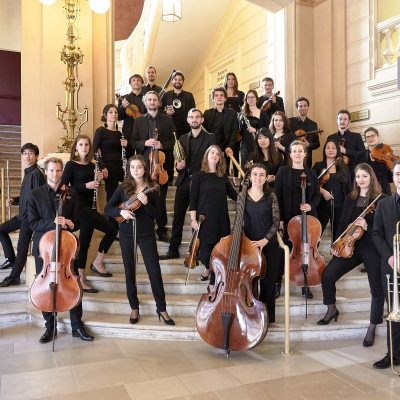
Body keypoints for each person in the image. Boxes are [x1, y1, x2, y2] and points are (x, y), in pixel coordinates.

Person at [318, 164, 385, 349]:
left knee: (376, 290)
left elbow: (384, 231)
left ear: (371, 177)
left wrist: (367, 227)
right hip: (350, 246)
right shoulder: (350, 197)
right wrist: (336, 243)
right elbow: (342, 223)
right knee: (328, 275)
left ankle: (372, 327)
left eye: (364, 176)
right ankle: (331, 309)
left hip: (372, 249)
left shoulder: (382, 200)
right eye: (357, 177)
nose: (361, 180)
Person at [28, 158, 93, 343]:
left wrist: (71, 223)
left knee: (73, 284)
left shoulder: (71, 194)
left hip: (66, 250)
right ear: (46, 172)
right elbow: (32, 223)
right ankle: (50, 327)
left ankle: (77, 326)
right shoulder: (35, 194)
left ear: (62, 171)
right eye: (51, 171)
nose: (55, 174)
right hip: (45, 249)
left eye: (58, 171)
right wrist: (53, 223)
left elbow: (78, 221)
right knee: (45, 286)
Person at [104, 155, 174, 325]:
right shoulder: (123, 188)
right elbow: (108, 208)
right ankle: (134, 307)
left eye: (139, 167)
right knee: (130, 271)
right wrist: (121, 213)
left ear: (145, 169)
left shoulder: (153, 188)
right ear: (129, 169)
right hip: (127, 234)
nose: (136, 170)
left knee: (154, 271)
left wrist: (147, 203)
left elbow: (159, 215)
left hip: (146, 233)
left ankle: (162, 308)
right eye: (133, 167)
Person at [60, 135, 118, 291]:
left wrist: (98, 180)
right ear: (76, 148)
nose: (84, 147)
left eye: (86, 144)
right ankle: (98, 263)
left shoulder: (94, 166)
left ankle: (80, 280)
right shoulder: (71, 165)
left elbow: (95, 187)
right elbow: (64, 188)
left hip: (91, 207)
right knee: (113, 229)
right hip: (79, 209)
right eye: (81, 144)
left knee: (84, 244)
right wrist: (86, 185)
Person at [160, 109, 216, 260]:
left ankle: (196, 250)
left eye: (197, 117)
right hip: (184, 181)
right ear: (188, 120)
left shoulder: (210, 138)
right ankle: (173, 249)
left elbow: (214, 160)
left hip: (201, 183)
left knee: (198, 219)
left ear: (202, 120)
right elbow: (178, 163)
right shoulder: (183, 138)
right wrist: (178, 166)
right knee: (177, 217)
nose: (195, 119)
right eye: (192, 117)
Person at [274, 140, 321, 299]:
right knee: (283, 251)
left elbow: (316, 195)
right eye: (294, 151)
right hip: (287, 218)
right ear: (290, 154)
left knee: (306, 250)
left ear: (305, 154)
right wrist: (279, 218)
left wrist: (310, 205)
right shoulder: (283, 171)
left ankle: (305, 282)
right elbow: (277, 196)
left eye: (300, 151)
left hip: (307, 218)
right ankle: (277, 283)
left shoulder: (311, 173)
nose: (297, 154)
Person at [190, 145, 238, 291]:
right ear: (207, 155)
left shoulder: (222, 177)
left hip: (221, 220)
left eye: (218, 154)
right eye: (212, 152)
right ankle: (207, 267)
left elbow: (235, 196)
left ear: (220, 159)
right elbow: (193, 200)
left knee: (219, 255)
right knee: (205, 255)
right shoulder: (198, 176)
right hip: (204, 221)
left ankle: (213, 283)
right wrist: (193, 220)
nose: (215, 155)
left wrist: (250, 191)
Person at [131, 90, 175, 243]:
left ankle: (162, 230)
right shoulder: (139, 121)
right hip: (144, 168)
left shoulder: (167, 120)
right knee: (145, 198)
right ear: (145, 102)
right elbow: (133, 142)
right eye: (149, 99)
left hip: (160, 168)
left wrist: (162, 144)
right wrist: (145, 143)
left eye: (154, 100)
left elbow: (173, 142)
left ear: (158, 102)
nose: (152, 102)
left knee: (161, 200)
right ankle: (146, 228)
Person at [0, 144, 45, 287]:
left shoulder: (37, 174)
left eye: (30, 153)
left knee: (22, 246)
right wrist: (15, 200)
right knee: (1, 229)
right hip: (23, 214)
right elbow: (27, 196)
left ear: (36, 156)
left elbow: (38, 197)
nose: (27, 156)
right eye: (24, 153)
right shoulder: (28, 173)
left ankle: (14, 276)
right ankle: (11, 259)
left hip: (30, 216)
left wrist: (32, 217)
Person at [242, 163, 280, 323]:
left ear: (266, 178)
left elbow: (276, 222)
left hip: (269, 244)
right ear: (250, 177)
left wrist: (265, 240)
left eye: (261, 175)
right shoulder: (242, 196)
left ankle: (267, 318)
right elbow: (239, 222)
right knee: (250, 282)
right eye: (255, 174)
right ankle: (252, 316)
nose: (258, 177)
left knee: (268, 282)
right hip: (249, 247)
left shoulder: (271, 196)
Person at [372, 160, 400, 369]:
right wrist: (390, 257)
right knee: (394, 310)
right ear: (393, 178)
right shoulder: (383, 204)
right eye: (397, 174)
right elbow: (376, 234)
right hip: (390, 264)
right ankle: (394, 354)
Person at [312, 140, 351, 240]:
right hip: (321, 205)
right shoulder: (318, 166)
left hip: (340, 205)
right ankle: (314, 255)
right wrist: (322, 191)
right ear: (324, 150)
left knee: (338, 235)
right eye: (328, 147)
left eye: (333, 147)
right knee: (316, 234)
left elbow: (349, 188)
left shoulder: (344, 167)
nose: (330, 150)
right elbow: (311, 184)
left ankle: (336, 255)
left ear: (338, 150)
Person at [93, 104, 127, 203]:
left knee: (123, 193)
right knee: (112, 194)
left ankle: (121, 216)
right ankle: (112, 217)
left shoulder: (120, 134)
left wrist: (126, 145)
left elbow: (124, 153)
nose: (114, 114)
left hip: (120, 166)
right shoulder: (101, 131)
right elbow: (94, 150)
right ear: (105, 115)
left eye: (116, 112)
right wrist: (102, 166)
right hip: (108, 166)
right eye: (110, 112)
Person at [203, 86, 238, 174]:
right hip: (211, 146)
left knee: (224, 172)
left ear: (225, 98)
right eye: (216, 95)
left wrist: (230, 146)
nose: (219, 97)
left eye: (221, 95)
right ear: (213, 98)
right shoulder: (207, 113)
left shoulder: (232, 113)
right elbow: (203, 131)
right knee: (210, 171)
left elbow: (234, 131)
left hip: (225, 146)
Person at [326, 110, 364, 182]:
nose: (342, 121)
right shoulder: (331, 138)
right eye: (340, 119)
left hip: (352, 173)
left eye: (345, 119)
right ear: (337, 120)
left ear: (349, 121)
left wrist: (346, 151)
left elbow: (362, 154)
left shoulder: (356, 136)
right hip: (335, 172)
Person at [355, 127, 393, 196]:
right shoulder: (360, 155)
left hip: (384, 191)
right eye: (368, 137)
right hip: (367, 192)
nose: (370, 138)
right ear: (366, 140)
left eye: (372, 136)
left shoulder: (386, 153)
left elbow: (391, 179)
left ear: (378, 136)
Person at [238, 90, 269, 172]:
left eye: (252, 97)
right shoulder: (242, 114)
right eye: (248, 97)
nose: (250, 99)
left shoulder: (263, 114)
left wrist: (256, 130)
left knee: (257, 168)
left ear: (256, 99)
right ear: (246, 99)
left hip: (257, 145)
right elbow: (239, 131)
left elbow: (267, 132)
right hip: (245, 145)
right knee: (245, 170)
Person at [118, 73, 147, 160]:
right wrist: (122, 107)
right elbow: (119, 117)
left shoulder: (147, 98)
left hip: (143, 132)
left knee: (142, 158)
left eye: (138, 80)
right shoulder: (124, 98)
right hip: (129, 133)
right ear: (130, 84)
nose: (136, 82)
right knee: (128, 159)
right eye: (133, 80)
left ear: (142, 83)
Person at [223, 72, 245, 185]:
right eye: (229, 79)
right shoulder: (223, 94)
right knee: (226, 153)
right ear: (226, 81)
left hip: (237, 126)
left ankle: (236, 177)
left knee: (236, 152)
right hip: (226, 126)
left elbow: (245, 109)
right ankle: (226, 176)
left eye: (233, 79)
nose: (231, 81)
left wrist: (239, 114)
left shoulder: (241, 94)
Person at [161, 71, 195, 140]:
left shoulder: (189, 95)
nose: (177, 81)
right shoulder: (166, 95)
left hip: (185, 130)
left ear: (183, 82)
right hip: (170, 129)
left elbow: (193, 111)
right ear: (172, 81)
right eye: (175, 79)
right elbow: (158, 110)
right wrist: (166, 112)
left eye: (180, 79)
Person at [289, 97, 320, 167]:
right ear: (297, 108)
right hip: (292, 159)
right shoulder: (290, 122)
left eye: (305, 105)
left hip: (307, 160)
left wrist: (309, 145)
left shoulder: (313, 124)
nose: (303, 108)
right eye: (300, 106)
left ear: (308, 107)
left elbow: (317, 143)